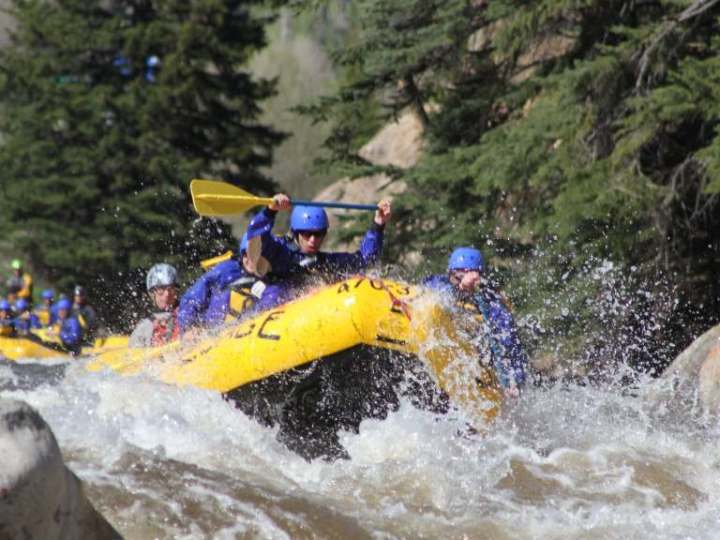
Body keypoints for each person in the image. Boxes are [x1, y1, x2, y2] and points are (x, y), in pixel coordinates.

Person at [424, 247, 528, 396]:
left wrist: (515, 381)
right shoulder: (440, 283)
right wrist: (458, 289)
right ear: (450, 275)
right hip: (441, 354)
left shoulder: (493, 306)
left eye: (465, 277)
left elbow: (511, 346)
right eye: (457, 277)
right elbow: (435, 291)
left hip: (477, 365)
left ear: (479, 278)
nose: (462, 282)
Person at [245, 195, 392, 284]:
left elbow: (365, 260)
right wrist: (270, 211)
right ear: (295, 234)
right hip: (273, 311)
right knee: (274, 293)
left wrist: (378, 225)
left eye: (319, 234)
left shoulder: (325, 262)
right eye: (307, 234)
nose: (313, 240)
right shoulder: (278, 251)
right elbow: (255, 237)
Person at [178, 234, 285, 333]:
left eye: (256, 256)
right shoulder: (226, 270)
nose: (250, 260)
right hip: (210, 332)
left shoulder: (271, 284)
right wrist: (188, 325)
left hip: (242, 333)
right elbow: (192, 298)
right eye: (246, 254)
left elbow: (271, 303)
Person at [129, 263, 181, 347]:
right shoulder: (144, 328)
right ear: (152, 294)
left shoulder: (188, 313)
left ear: (176, 291)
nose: (167, 294)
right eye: (161, 289)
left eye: (170, 289)